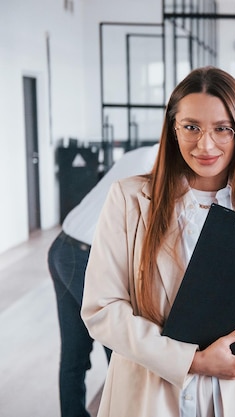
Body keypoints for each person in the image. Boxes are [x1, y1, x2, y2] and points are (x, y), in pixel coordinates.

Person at [80, 66, 235, 417]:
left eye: (222, 129)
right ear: (173, 129)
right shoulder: (130, 199)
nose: (205, 145)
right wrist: (191, 361)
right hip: (153, 391)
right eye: (191, 127)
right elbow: (102, 310)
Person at [47, 143, 158, 417]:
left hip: (63, 245)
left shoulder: (141, 152)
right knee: (122, 351)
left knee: (75, 354)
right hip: (85, 253)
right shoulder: (157, 161)